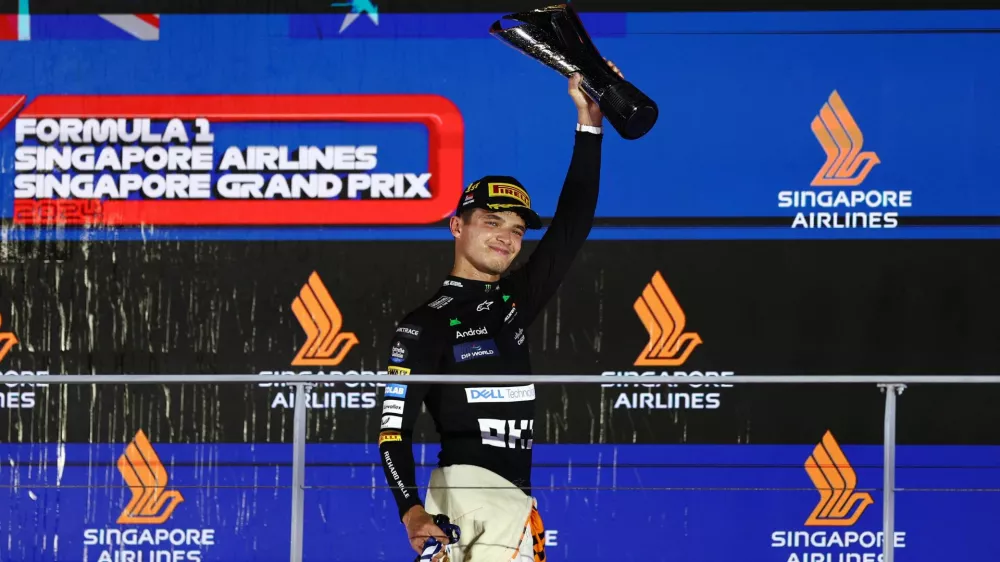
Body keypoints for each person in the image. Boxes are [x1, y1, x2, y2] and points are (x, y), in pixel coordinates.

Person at [377, 60, 621, 562]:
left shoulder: (512, 304)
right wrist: (410, 509)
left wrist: (590, 125)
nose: (507, 238)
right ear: (456, 227)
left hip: (514, 501)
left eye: (516, 229)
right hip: (467, 502)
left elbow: (571, 226)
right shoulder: (424, 325)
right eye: (492, 222)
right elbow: (391, 429)